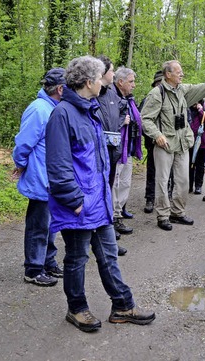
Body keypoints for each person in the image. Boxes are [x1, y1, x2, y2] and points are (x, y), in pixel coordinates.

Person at [46, 55, 155, 333]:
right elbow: (58, 165)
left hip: (99, 200)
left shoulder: (90, 109)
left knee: (108, 255)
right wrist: (74, 201)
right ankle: (77, 309)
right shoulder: (63, 113)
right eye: (99, 77)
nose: (102, 81)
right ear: (87, 82)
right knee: (77, 258)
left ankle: (122, 305)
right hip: (79, 204)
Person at [140, 60, 205, 231]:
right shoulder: (157, 94)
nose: (182, 74)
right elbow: (145, 119)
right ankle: (163, 216)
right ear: (168, 74)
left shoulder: (183, 90)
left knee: (182, 181)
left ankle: (177, 213)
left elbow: (203, 87)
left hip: (182, 143)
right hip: (165, 144)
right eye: (178, 71)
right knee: (162, 181)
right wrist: (157, 135)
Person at [12, 68, 66, 287]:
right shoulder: (39, 109)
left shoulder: (53, 108)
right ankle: (33, 269)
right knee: (38, 225)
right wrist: (21, 164)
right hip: (40, 178)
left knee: (50, 224)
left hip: (50, 179)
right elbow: (23, 143)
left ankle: (48, 261)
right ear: (60, 89)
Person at [96, 55, 129, 256]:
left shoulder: (110, 94)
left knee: (105, 194)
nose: (114, 73)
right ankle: (101, 241)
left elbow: (115, 119)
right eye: (111, 70)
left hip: (110, 155)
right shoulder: (92, 96)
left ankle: (105, 240)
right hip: (96, 157)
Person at [112, 67, 143, 225]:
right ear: (120, 82)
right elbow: (107, 124)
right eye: (131, 81)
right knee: (115, 185)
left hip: (128, 149)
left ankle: (118, 214)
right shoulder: (111, 99)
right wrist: (121, 122)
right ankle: (113, 218)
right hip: (117, 151)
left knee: (124, 184)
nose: (134, 85)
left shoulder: (130, 100)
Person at [141, 70, 164, 213]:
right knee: (152, 171)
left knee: (169, 174)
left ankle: (165, 199)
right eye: (158, 82)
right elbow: (141, 121)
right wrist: (151, 137)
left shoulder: (172, 98)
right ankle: (150, 198)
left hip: (169, 143)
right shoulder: (148, 99)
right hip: (152, 143)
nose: (160, 85)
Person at [188, 99, 205, 194]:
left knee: (200, 165)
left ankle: (198, 186)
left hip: (203, 143)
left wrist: (200, 111)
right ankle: (189, 185)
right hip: (190, 142)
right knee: (189, 164)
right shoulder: (188, 111)